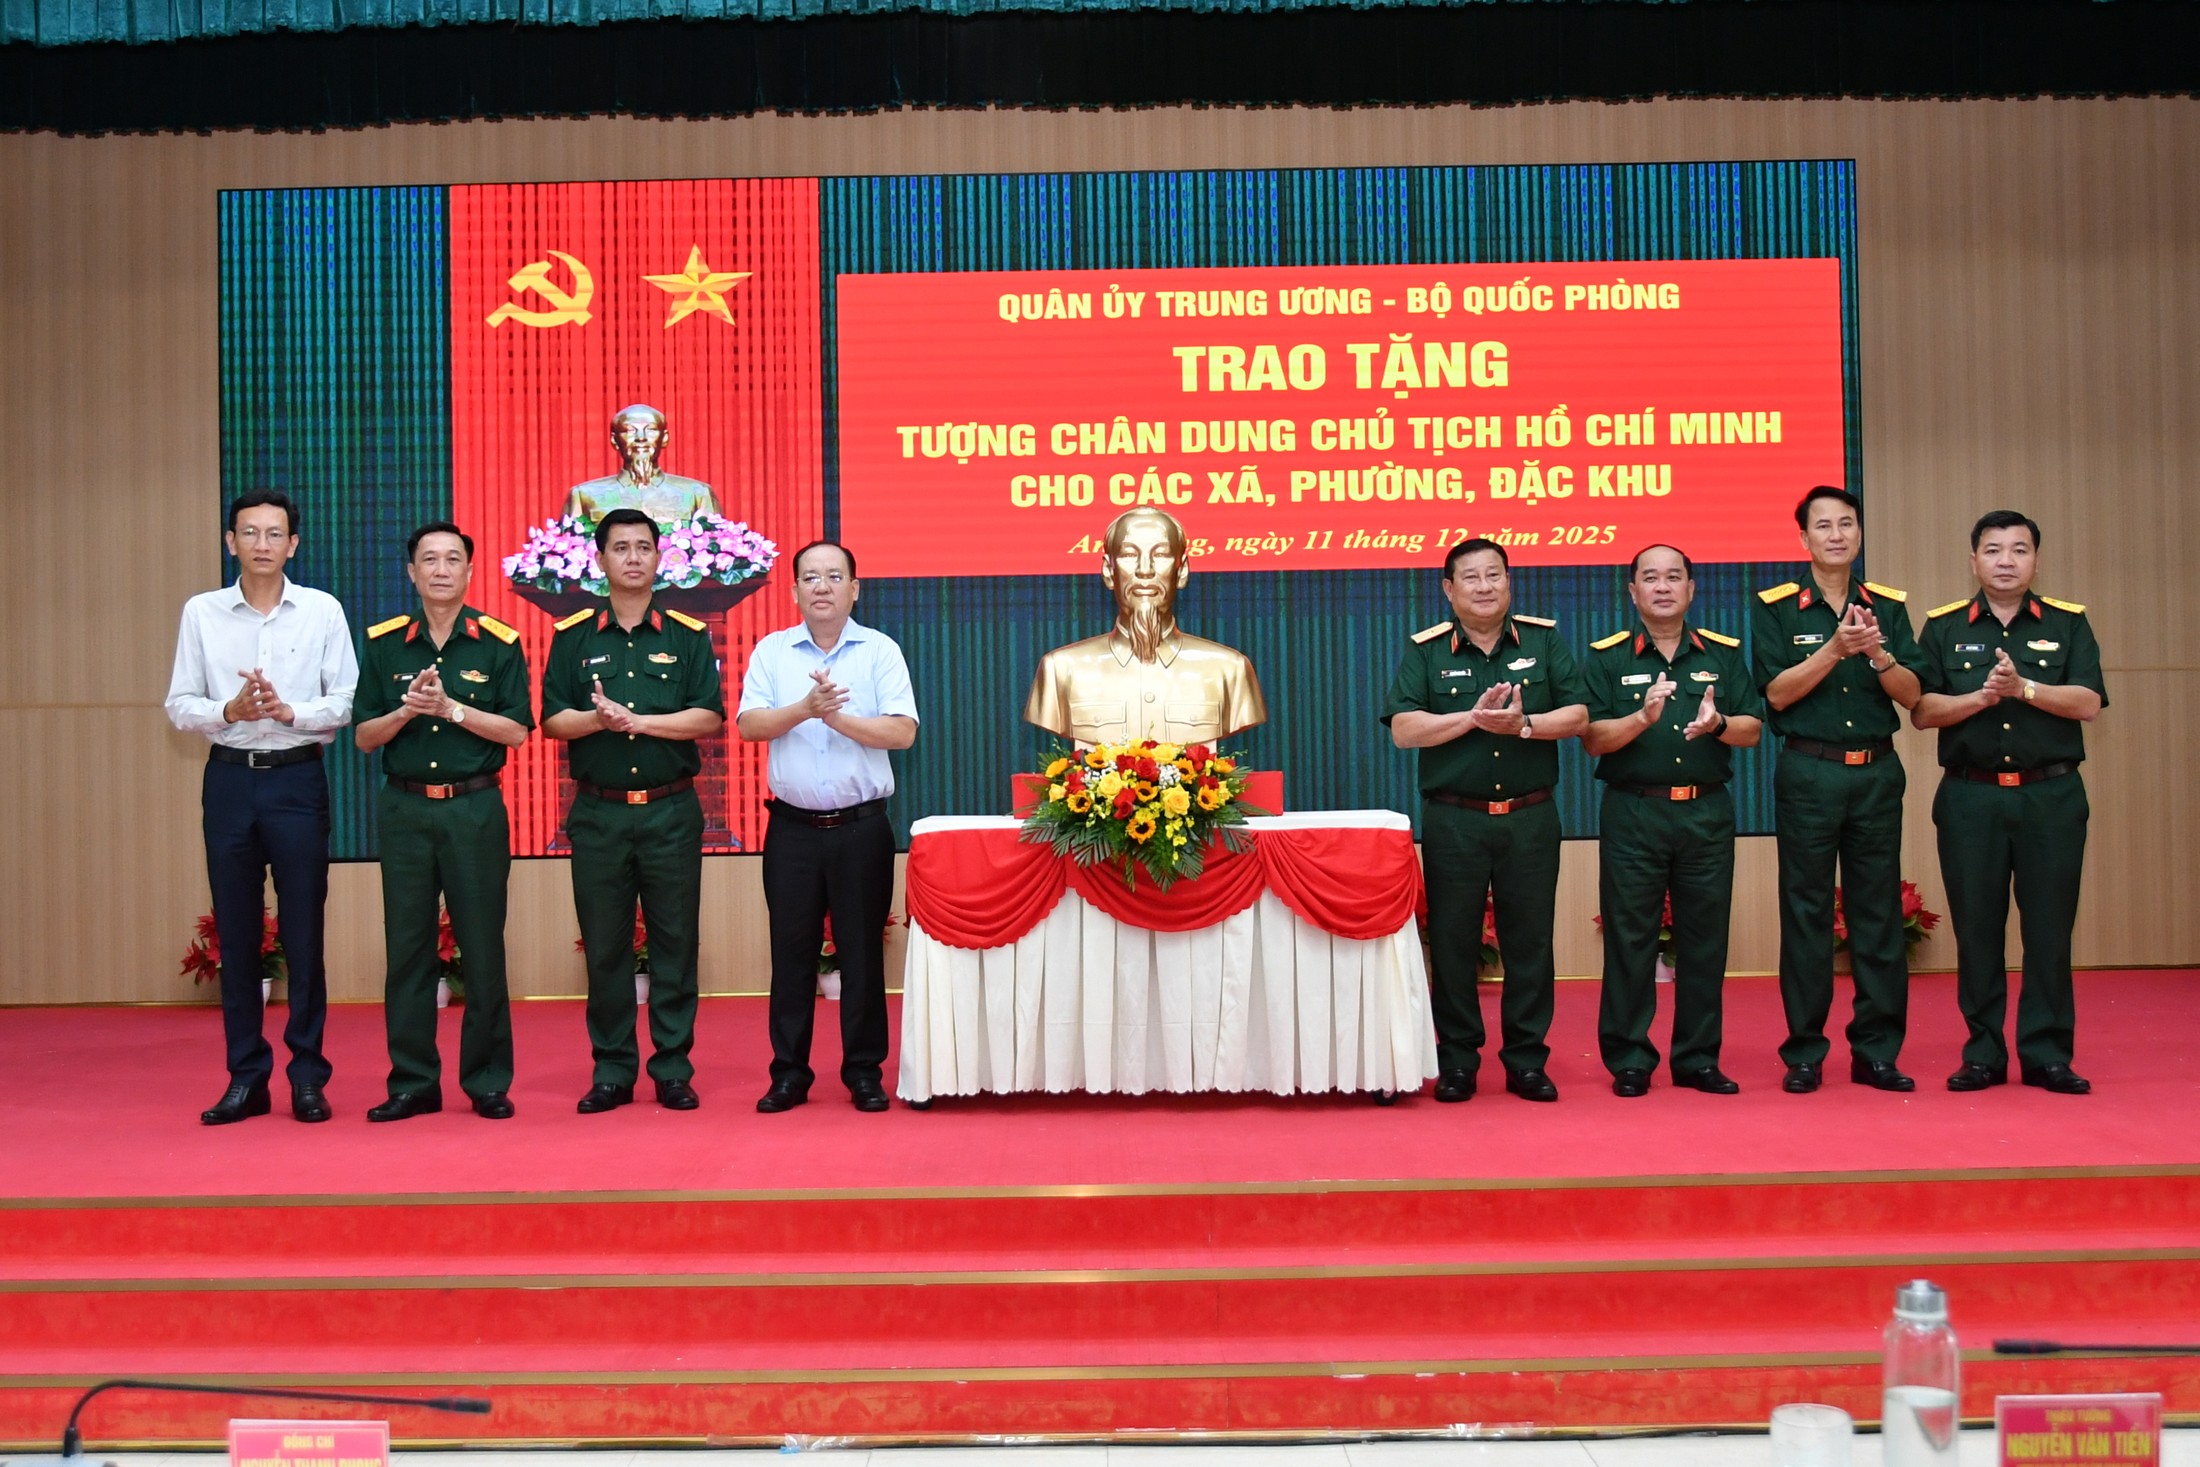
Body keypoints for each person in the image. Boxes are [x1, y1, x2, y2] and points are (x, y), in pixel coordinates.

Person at [164, 490, 358, 1125]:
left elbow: (345, 701)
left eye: (275, 534)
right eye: (249, 533)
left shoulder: (322, 610)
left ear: (293, 544)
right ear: (231, 542)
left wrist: (288, 712)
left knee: (303, 934)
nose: (262, 544)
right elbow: (179, 704)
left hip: (297, 781)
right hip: (229, 782)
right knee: (238, 933)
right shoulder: (202, 612)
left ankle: (308, 1077)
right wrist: (230, 710)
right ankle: (245, 1078)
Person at [1382, 538, 1588, 1104]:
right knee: (1453, 943)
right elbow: (1403, 729)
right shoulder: (1426, 651)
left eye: (1494, 575)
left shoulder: (1543, 641)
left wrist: (1523, 726)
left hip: (1530, 817)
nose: (1484, 586)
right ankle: (1457, 1061)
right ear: (1449, 590)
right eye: (1470, 578)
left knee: (1531, 942)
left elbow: (1578, 715)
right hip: (1455, 821)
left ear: (1509, 582)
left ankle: (1526, 1060)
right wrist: (1471, 719)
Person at [1912, 510, 2105, 1095]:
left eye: (2019, 550)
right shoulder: (1943, 626)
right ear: (1973, 561)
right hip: (1970, 799)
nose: (2006, 561)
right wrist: (1980, 697)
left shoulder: (2069, 623)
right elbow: (1922, 711)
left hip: (2051, 797)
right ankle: (1983, 1054)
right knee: (1977, 930)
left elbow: (2088, 702)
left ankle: (2047, 1056)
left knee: (2049, 930)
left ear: (2036, 561)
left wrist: (2024, 687)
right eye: (1993, 550)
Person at [541, 507, 725, 1113]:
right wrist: (598, 720)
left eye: (644, 547)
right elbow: (552, 720)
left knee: (676, 943)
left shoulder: (686, 635)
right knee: (605, 947)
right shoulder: (573, 636)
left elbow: (708, 717)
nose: (633, 558)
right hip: (599, 815)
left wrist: (639, 722)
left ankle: (672, 1068)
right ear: (600, 560)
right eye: (620, 548)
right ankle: (612, 1070)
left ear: (659, 557)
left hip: (671, 813)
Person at [352, 522, 533, 1121]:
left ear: (469, 572)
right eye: (428, 560)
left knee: (481, 947)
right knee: (408, 948)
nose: (440, 569)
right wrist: (408, 710)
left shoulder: (498, 643)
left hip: (473, 809)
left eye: (453, 559)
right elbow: (364, 737)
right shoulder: (384, 644)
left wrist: (452, 708)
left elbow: (516, 732)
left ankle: (487, 1081)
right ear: (411, 572)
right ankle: (412, 1082)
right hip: (405, 809)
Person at [1751, 486, 1929, 1095]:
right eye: (1823, 526)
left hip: (1876, 773)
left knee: (1876, 913)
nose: (1836, 535)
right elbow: (1776, 695)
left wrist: (1877, 654)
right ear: (1804, 538)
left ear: (1859, 533)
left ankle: (1877, 1052)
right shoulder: (1777, 608)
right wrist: (1833, 650)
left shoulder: (1888, 608)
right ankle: (1804, 1052)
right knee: (1806, 914)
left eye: (1846, 524)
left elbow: (1914, 697)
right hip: (1809, 771)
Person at [737, 541, 919, 1114]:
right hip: (791, 831)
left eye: (835, 576)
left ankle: (864, 1072)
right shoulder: (772, 651)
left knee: (862, 954)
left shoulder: (880, 651)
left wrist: (836, 718)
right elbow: (749, 725)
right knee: (791, 954)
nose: (822, 586)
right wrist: (805, 709)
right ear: (794, 590)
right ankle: (789, 1074)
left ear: (854, 589)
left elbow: (902, 733)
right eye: (811, 577)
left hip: (861, 830)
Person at [1584, 546, 1764, 1097]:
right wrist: (1641, 717)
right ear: (1632, 592)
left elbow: (1753, 729)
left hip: (1705, 812)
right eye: (1650, 578)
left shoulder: (1723, 654)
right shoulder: (1607, 657)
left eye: (1673, 577)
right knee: (1630, 939)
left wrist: (1718, 724)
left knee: (1705, 940)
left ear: (1691, 589)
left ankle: (1697, 1059)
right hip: (1633, 811)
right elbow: (1592, 739)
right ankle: (1630, 1059)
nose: (1662, 587)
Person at [1025, 507, 1266, 746]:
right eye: (1129, 555)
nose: (1145, 570)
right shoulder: (1061, 671)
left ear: (1182, 571)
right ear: (1108, 571)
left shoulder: (1229, 671)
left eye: (1160, 554)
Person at [563, 404, 719, 527]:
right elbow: (571, 548)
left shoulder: (697, 493)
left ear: (664, 438)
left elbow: (715, 547)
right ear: (614, 440)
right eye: (630, 430)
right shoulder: (584, 495)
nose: (641, 438)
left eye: (650, 430)